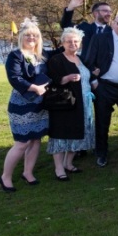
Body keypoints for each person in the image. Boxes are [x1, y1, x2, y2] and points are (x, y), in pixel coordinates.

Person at [82, 13, 118, 167]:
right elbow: (88, 61)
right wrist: (94, 81)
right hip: (105, 87)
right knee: (102, 121)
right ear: (113, 24)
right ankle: (101, 153)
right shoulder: (100, 39)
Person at [0, 18, 51, 192]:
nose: (31, 38)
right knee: (22, 143)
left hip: (40, 104)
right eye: (28, 35)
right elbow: (14, 78)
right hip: (22, 104)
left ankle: (27, 173)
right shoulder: (16, 55)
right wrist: (34, 87)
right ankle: (5, 177)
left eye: (35, 35)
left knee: (36, 140)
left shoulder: (42, 55)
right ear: (21, 36)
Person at [45, 27, 95, 181]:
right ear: (63, 43)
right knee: (61, 134)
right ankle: (59, 169)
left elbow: (88, 77)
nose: (73, 44)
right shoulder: (57, 59)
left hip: (84, 104)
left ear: (80, 43)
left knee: (79, 133)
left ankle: (68, 163)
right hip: (65, 104)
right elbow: (50, 79)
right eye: (69, 41)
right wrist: (65, 79)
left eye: (76, 41)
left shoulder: (82, 59)